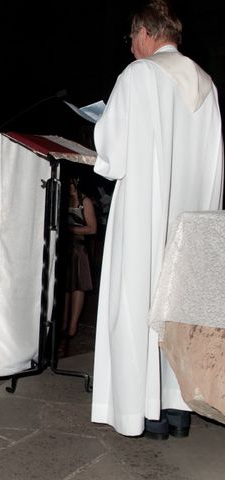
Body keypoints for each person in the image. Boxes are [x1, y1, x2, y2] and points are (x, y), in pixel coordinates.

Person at [91, 0, 224, 439]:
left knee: (137, 302)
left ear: (147, 33)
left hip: (145, 220)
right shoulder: (206, 84)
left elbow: (111, 152)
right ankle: (177, 407)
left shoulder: (139, 76)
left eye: (132, 38)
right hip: (190, 227)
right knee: (176, 309)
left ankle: (142, 411)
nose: (131, 48)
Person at [60, 176, 97, 339]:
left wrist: (71, 230)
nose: (69, 186)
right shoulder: (63, 199)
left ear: (76, 181)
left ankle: (73, 326)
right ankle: (63, 324)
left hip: (79, 248)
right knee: (65, 287)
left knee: (78, 286)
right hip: (64, 247)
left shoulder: (85, 201)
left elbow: (92, 229)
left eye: (71, 183)